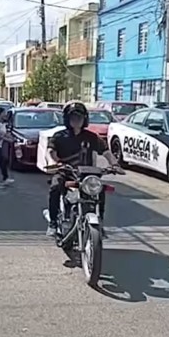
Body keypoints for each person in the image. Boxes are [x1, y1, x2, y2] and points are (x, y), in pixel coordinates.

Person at [46, 101, 122, 237]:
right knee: (55, 186)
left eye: (79, 117)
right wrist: (54, 162)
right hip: (66, 172)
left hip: (87, 174)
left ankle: (100, 223)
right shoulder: (59, 136)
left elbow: (106, 152)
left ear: (85, 119)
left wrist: (114, 164)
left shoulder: (92, 137)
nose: (76, 120)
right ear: (67, 119)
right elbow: (50, 151)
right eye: (73, 117)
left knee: (100, 190)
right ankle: (53, 223)